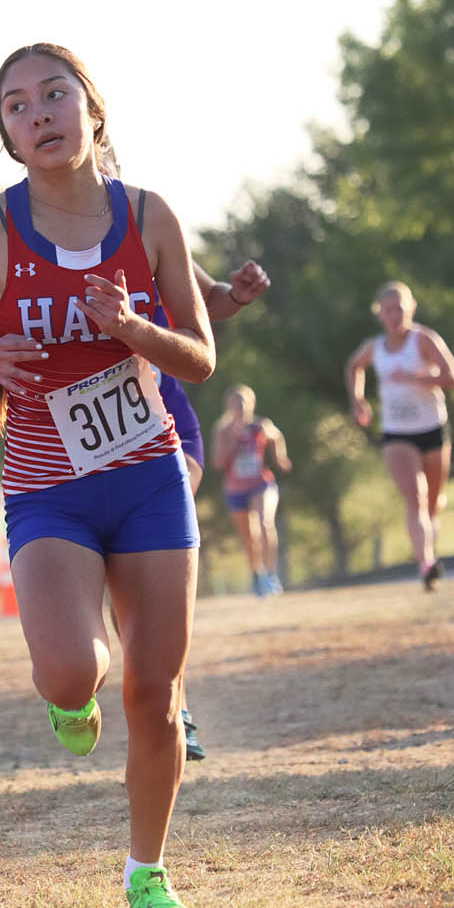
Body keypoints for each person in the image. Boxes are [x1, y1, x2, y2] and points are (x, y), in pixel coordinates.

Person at [0, 42, 216, 908]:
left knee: (154, 694)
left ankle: (146, 873)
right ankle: (71, 702)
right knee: (68, 672)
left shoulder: (150, 217)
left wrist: (135, 330)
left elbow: (197, 357)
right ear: (7, 135)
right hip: (50, 488)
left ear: (93, 111)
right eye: (17, 105)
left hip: (149, 475)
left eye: (54, 95)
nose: (38, 113)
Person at [150, 258, 270, 759]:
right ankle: (75, 674)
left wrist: (237, 294)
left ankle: (176, 704)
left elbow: (210, 300)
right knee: (116, 577)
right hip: (75, 444)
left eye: (107, 171)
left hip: (169, 426)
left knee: (151, 571)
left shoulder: (145, 222)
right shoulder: (32, 234)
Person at [344, 280, 454, 590]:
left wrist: (417, 377)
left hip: (432, 428)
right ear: (380, 314)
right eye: (388, 310)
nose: (394, 315)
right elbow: (354, 366)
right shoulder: (374, 347)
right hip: (396, 432)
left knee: (434, 502)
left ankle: (428, 554)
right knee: (416, 499)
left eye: (399, 309)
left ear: (410, 309)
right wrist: (358, 400)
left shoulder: (423, 340)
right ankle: (425, 565)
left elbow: (453, 377)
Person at [210, 385, 292, 596]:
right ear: (228, 406)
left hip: (261, 484)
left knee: (265, 524)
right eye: (235, 403)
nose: (240, 407)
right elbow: (217, 463)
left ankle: (271, 575)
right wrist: (233, 444)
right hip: (235, 490)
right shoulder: (222, 430)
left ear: (251, 405)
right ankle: (257, 576)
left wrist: (280, 458)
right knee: (249, 539)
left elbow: (278, 436)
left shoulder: (260, 426)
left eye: (243, 403)